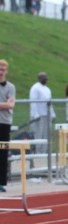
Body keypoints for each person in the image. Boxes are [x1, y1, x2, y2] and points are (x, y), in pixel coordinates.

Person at [29, 72, 56, 155]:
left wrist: (52, 113)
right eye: (45, 77)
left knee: (46, 134)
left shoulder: (47, 89)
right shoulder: (35, 88)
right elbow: (33, 101)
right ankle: (37, 151)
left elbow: (49, 102)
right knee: (38, 134)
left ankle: (44, 152)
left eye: (46, 77)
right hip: (38, 115)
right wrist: (36, 114)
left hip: (46, 115)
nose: (46, 79)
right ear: (40, 78)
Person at [0, 60, 16, 193]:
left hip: (5, 123)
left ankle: (1, 182)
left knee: (3, 152)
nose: (1, 71)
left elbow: (11, 105)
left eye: (3, 69)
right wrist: (5, 104)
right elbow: (7, 104)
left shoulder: (11, 87)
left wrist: (5, 104)